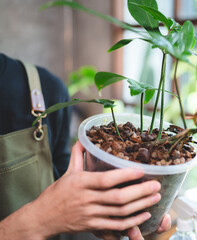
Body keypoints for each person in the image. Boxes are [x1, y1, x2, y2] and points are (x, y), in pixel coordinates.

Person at [0, 53, 170, 240]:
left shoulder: (45, 88)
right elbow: (57, 210)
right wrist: (40, 219)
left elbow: (61, 175)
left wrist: (100, 209)